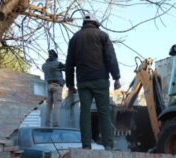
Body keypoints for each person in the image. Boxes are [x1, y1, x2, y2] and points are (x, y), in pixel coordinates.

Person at [65, 14, 121, 150]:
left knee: (85, 113)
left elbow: (69, 64)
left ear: (84, 23)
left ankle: (86, 146)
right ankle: (108, 146)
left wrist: (70, 84)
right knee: (104, 113)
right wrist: (116, 77)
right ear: (96, 23)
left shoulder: (75, 38)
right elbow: (110, 57)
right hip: (101, 80)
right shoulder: (103, 36)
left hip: (83, 81)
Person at [42, 49, 65, 127]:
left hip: (48, 86)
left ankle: (47, 124)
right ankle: (55, 124)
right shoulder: (58, 64)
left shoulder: (44, 66)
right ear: (56, 57)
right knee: (57, 106)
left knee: (48, 107)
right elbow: (67, 68)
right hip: (57, 86)